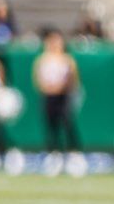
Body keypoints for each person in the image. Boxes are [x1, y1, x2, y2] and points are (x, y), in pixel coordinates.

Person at [34, 28, 82, 175]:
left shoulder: (67, 59)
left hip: (64, 96)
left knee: (67, 124)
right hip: (49, 95)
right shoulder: (42, 59)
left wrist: (64, 87)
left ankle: (74, 155)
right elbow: (38, 79)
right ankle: (53, 155)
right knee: (51, 126)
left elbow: (74, 79)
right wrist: (48, 87)